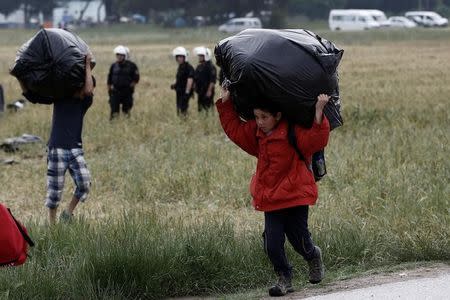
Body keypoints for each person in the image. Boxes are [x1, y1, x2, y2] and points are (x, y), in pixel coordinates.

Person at [216, 86, 330, 297]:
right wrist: (225, 104)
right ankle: (284, 278)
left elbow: (317, 139)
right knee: (272, 243)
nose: (259, 122)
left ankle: (313, 256)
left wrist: (319, 111)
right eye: (256, 116)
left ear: (278, 115)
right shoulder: (256, 135)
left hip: (295, 196)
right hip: (270, 198)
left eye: (264, 117)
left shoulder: (293, 132)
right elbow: (235, 130)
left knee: (300, 241)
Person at [20, 55, 94, 225]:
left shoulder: (84, 102)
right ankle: (52, 225)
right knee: (55, 190)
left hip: (76, 149)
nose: (86, 88)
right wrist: (20, 78)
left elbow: (89, 90)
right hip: (57, 149)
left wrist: (87, 65)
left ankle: (67, 213)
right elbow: (32, 96)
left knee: (84, 183)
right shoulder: (59, 97)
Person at [107, 45, 140, 120]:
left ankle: (126, 125)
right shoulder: (113, 66)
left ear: (124, 56)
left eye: (121, 55)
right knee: (114, 111)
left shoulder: (132, 66)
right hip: (115, 92)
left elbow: (136, 78)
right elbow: (109, 79)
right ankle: (113, 125)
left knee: (126, 111)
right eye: (117, 55)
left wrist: (131, 86)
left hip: (127, 92)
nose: (119, 56)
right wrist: (109, 91)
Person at [170, 46, 194, 116]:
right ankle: (181, 121)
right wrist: (174, 84)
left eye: (180, 57)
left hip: (184, 92)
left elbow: (190, 80)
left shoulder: (188, 67)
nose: (178, 59)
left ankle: (184, 121)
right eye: (177, 57)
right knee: (178, 108)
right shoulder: (181, 67)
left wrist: (187, 93)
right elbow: (179, 78)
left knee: (183, 108)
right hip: (179, 91)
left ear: (184, 57)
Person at [193, 47, 217, 112]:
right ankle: (202, 120)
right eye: (199, 56)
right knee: (200, 108)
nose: (199, 57)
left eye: (201, 56)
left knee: (208, 108)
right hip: (200, 91)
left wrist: (209, 91)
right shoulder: (199, 67)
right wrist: (194, 86)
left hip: (207, 91)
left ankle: (209, 120)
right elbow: (195, 77)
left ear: (207, 56)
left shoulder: (211, 67)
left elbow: (212, 80)